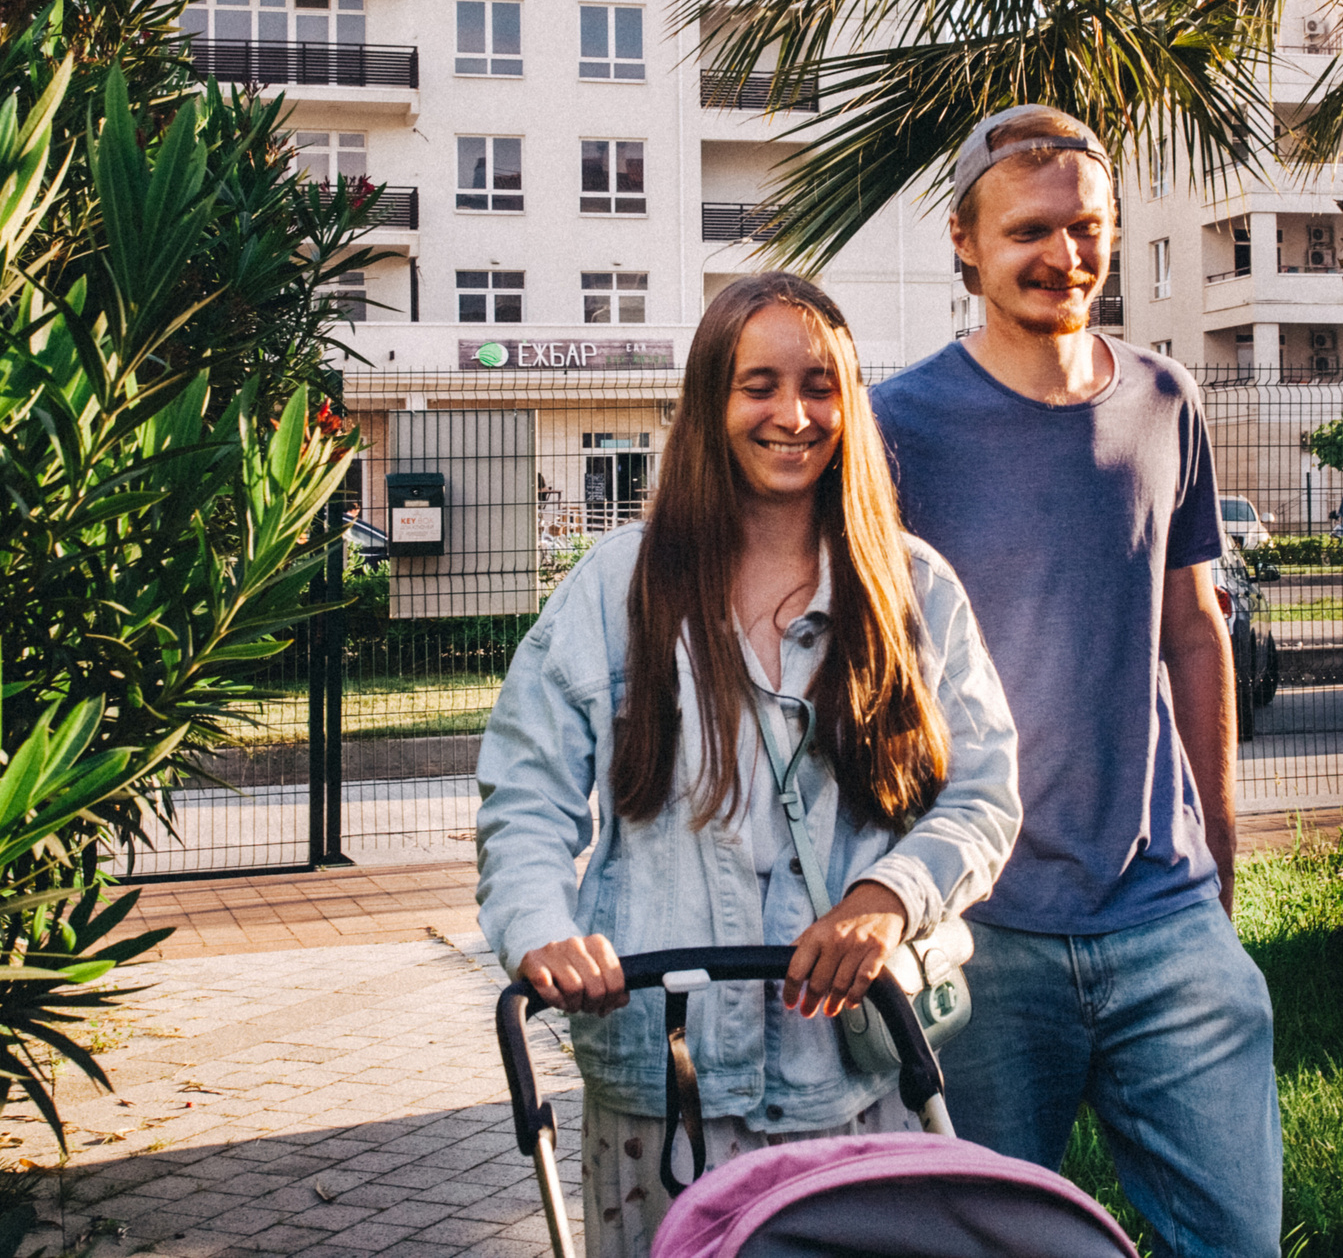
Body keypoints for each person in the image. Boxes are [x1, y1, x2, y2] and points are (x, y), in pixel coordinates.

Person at [476, 272, 1020, 1258]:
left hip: (853, 1084)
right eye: (758, 384)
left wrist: (887, 898)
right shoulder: (616, 590)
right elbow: (525, 799)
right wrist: (540, 933)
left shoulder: (911, 590)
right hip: (659, 1084)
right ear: (708, 403)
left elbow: (983, 798)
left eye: (820, 385)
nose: (793, 414)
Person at [871, 106, 1283, 1258]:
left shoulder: (1162, 401)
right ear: (965, 241)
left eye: (1089, 229)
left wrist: (1220, 873)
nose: (1066, 256)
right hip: (980, 931)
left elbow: (1193, 633)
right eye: (1031, 232)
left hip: (1164, 916)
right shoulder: (893, 426)